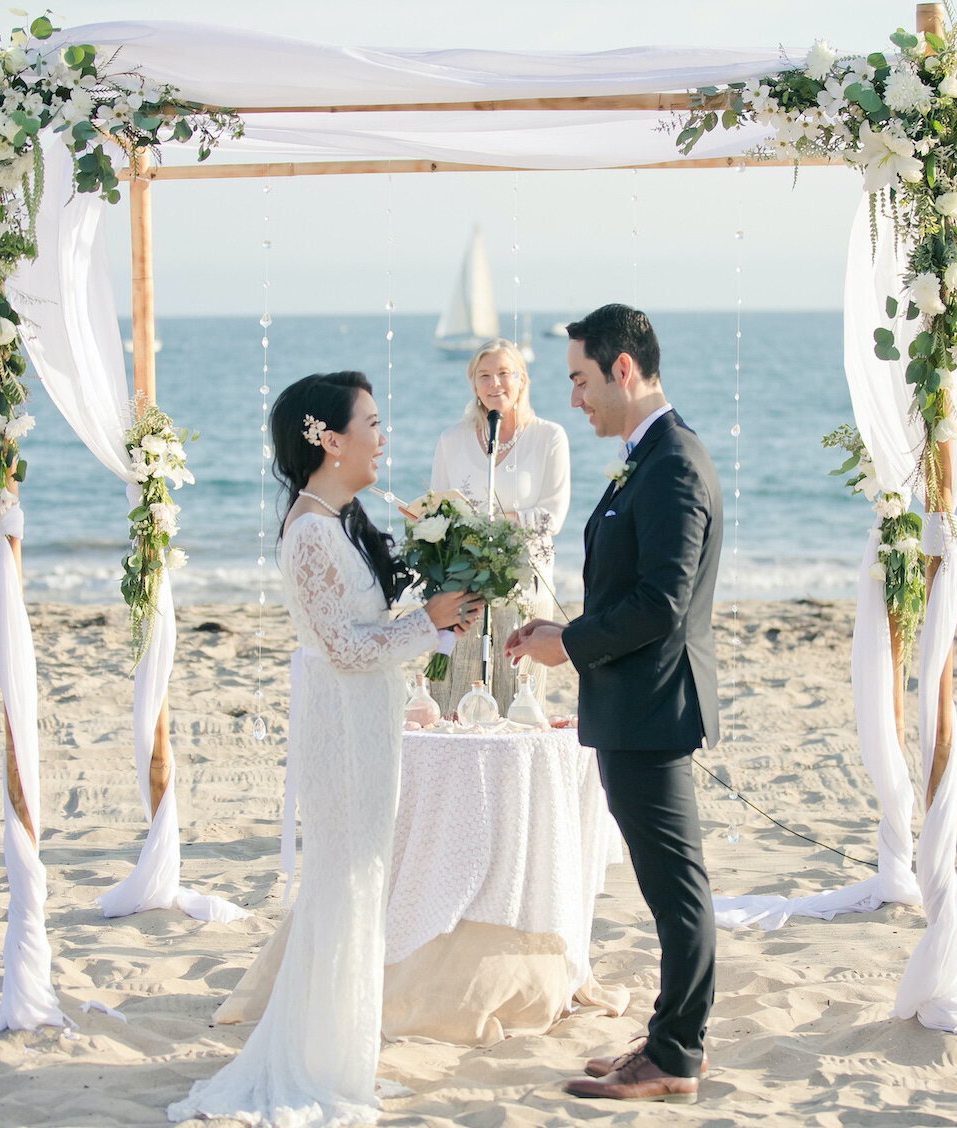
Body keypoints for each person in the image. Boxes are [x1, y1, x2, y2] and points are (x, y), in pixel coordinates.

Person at [168, 372, 482, 1127]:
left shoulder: (344, 520)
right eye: (371, 423)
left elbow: (367, 628)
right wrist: (424, 624)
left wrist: (437, 620)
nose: (383, 436)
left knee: (365, 880)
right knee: (344, 880)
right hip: (341, 726)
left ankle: (345, 1056)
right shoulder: (309, 530)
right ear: (329, 440)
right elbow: (342, 646)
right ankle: (318, 1061)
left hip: (370, 718)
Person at [505, 305, 722, 1104]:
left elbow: (662, 603)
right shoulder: (647, 456)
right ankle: (670, 1038)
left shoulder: (672, 464)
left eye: (580, 379)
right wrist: (565, 631)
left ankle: (676, 1057)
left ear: (622, 369)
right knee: (668, 885)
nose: (574, 399)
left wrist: (573, 642)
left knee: (676, 887)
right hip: (632, 703)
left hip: (653, 707)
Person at [429, 337, 570, 716]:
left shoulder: (548, 437)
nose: (495, 384)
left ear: (522, 379)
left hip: (525, 586)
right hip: (463, 590)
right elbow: (436, 513)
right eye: (484, 375)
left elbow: (551, 516)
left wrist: (488, 525)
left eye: (504, 374)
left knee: (516, 708)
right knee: (454, 705)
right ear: (473, 384)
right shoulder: (451, 441)